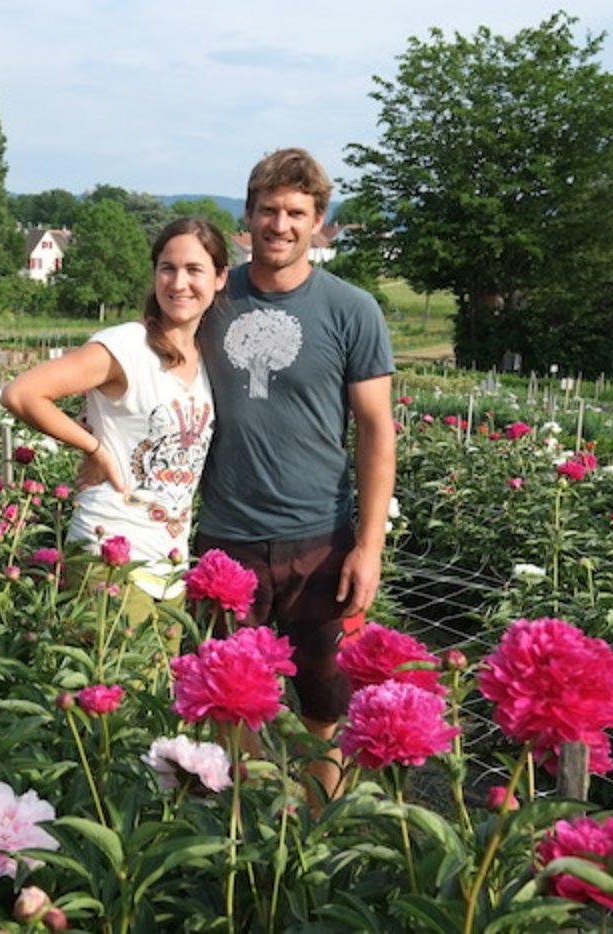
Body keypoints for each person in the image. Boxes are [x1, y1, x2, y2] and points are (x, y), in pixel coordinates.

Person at [194, 148, 396, 803]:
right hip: (228, 536)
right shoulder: (212, 299)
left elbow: (376, 429)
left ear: (318, 221)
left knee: (323, 702)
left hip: (320, 538)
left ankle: (313, 829)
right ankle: (247, 823)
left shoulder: (351, 309)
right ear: (248, 215)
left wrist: (369, 546)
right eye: (268, 210)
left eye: (295, 213)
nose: (279, 225)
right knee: (230, 700)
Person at [1, 217, 229, 622]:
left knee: (161, 667)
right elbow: (22, 393)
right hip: (108, 552)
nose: (179, 283)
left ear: (220, 278)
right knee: (118, 664)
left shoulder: (204, 357)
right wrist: (95, 448)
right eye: (168, 268)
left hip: (169, 566)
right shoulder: (126, 346)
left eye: (194, 269)